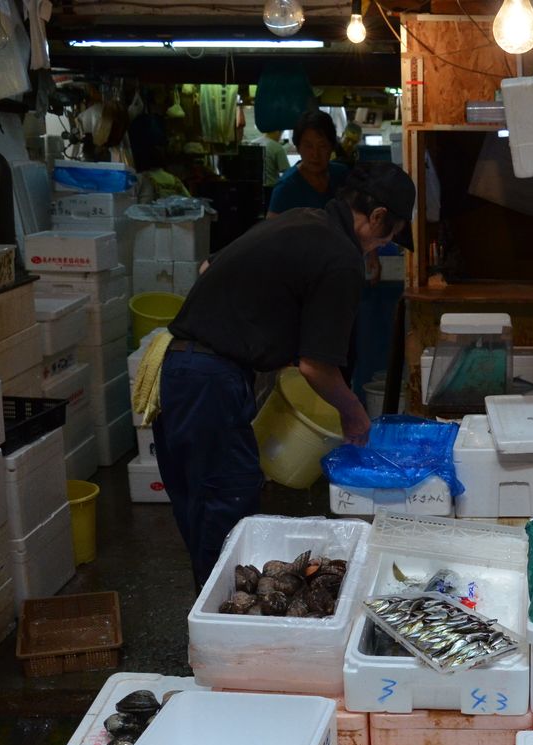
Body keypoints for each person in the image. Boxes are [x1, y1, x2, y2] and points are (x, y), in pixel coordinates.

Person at [156, 162, 416, 588]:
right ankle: (224, 617)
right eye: (390, 235)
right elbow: (316, 366)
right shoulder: (341, 257)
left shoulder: (301, 220)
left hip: (180, 368)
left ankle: (210, 614)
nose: (385, 245)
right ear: (378, 216)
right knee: (227, 513)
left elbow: (208, 268)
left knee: (203, 511)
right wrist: (354, 415)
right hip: (210, 382)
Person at [269, 110, 349, 215]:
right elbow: (272, 225)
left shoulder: (342, 175)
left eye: (322, 146)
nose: (315, 154)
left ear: (332, 147)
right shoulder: (286, 188)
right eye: (308, 146)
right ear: (298, 148)